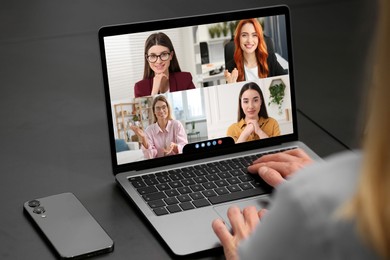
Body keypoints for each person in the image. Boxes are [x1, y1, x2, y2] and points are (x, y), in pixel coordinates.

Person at [212, 0, 390, 259]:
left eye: (255, 99)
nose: (250, 104)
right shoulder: (231, 84)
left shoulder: (271, 106)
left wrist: (320, 189)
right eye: (244, 100)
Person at [224, 18, 286, 84]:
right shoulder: (231, 67)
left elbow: (286, 81)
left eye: (254, 35)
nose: (249, 40)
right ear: (238, 39)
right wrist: (231, 85)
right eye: (244, 35)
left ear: (259, 39)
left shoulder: (270, 60)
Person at [134, 32, 195, 98]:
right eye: (153, 56)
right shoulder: (140, 88)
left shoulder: (185, 79)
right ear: (147, 58)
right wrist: (154, 91)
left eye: (164, 54)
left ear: (171, 55)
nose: (159, 61)